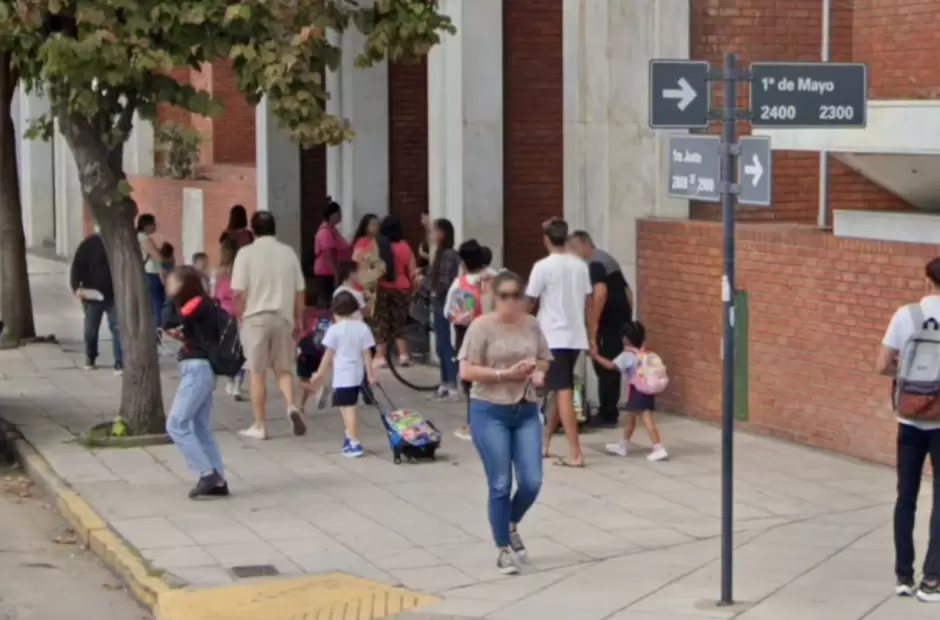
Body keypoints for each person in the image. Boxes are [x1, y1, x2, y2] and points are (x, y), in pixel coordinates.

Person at [458, 270, 552, 575]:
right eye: (505, 296)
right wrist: (503, 374)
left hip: (524, 408)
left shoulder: (531, 324)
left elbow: (544, 357)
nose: (512, 302)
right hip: (489, 409)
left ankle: (510, 522)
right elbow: (466, 371)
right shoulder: (481, 327)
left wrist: (536, 372)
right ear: (494, 298)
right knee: (500, 482)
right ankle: (502, 548)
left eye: (517, 296)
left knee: (532, 481)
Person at [877, 257, 940, 602]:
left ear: (926, 280)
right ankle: (932, 582)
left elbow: (881, 364)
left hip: (910, 420)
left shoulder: (906, 315)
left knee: (906, 498)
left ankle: (903, 577)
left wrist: (905, 381)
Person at [231, 210, 307, 440]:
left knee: (257, 372)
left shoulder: (245, 254)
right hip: (283, 317)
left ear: (253, 230)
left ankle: (260, 424)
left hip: (255, 318)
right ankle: (291, 405)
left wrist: (240, 317)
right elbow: (299, 291)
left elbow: (237, 292)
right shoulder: (288, 253)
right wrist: (299, 319)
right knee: (283, 369)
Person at [526, 219, 591, 468]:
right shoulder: (580, 265)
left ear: (546, 239)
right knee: (558, 388)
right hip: (575, 336)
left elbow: (530, 299)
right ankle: (545, 443)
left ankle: (575, 453)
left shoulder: (542, 267)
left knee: (563, 391)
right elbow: (589, 298)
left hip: (553, 336)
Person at [161, 266, 229, 499]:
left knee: (176, 423)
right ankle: (217, 478)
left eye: (172, 282)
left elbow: (169, 320)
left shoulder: (197, 303)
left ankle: (206, 472)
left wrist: (170, 299)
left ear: (184, 283)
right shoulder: (203, 303)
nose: (167, 285)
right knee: (200, 427)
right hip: (201, 369)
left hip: (197, 369)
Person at [568, 230, 633, 427]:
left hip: (607, 324)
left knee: (604, 365)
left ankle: (608, 413)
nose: (572, 253)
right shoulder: (608, 259)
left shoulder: (594, 264)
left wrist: (593, 325)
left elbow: (600, 292)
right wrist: (627, 317)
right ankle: (608, 409)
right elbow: (628, 291)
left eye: (574, 248)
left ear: (583, 245)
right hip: (619, 321)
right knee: (611, 364)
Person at [307, 292, 377, 458]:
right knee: (347, 406)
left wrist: (319, 373)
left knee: (348, 409)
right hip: (357, 373)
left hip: (343, 375)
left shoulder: (334, 330)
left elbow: (328, 355)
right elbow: (367, 353)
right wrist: (370, 374)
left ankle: (354, 442)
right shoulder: (363, 327)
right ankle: (348, 436)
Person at [595, 321, 668, 461]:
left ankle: (658, 448)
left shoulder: (626, 355)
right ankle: (623, 445)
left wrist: (596, 356)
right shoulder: (643, 352)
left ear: (625, 339)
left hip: (638, 391)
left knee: (647, 420)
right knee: (630, 418)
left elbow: (611, 366)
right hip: (644, 389)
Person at [446, 240, 488, 440]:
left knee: (470, 379)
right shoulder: (492, 278)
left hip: (466, 334)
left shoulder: (460, 282)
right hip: (490, 333)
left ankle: (473, 424)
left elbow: (448, 311)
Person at [70, 232, 123, 374]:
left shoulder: (119, 242)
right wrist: (76, 287)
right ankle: (90, 356)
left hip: (114, 295)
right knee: (91, 330)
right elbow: (77, 266)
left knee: (118, 328)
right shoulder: (89, 244)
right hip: (92, 295)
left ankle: (119, 361)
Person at [374, 215, 416, 368]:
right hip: (403, 288)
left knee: (382, 322)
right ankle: (403, 355)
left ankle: (381, 356)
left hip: (383, 287)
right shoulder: (405, 247)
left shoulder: (379, 246)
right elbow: (412, 270)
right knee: (400, 322)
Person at [427, 219, 461, 401]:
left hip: (443, 302)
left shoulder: (447, 255)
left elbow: (446, 281)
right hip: (439, 301)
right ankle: (445, 382)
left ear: (442, 233)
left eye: (433, 231)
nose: (430, 234)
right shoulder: (440, 253)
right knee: (441, 344)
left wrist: (434, 290)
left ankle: (452, 383)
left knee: (445, 344)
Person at [212, 238, 246, 400]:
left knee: (227, 349)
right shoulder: (242, 271)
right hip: (241, 315)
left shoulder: (218, 273)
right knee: (241, 350)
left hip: (224, 316)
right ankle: (237, 383)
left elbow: (213, 295)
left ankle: (229, 379)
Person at [313, 199, 351, 308]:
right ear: (332, 215)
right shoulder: (325, 232)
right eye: (338, 213)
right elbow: (327, 255)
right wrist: (335, 273)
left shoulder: (332, 230)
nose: (341, 216)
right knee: (328, 302)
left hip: (332, 271)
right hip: (326, 273)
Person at [351, 213, 385, 315]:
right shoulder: (362, 242)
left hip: (372, 282)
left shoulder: (377, 241)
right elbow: (357, 262)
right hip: (362, 282)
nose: (376, 228)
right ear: (365, 227)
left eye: (377, 225)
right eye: (373, 225)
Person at [137, 214, 165, 337]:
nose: (155, 226)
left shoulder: (137, 237)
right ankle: (157, 337)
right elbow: (156, 257)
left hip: (145, 273)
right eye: (153, 223)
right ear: (147, 225)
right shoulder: (144, 239)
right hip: (151, 273)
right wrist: (162, 274)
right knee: (156, 305)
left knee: (151, 305)